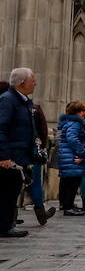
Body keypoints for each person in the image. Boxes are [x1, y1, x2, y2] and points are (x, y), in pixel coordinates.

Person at [0, 69, 38, 238]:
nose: (35, 83)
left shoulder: (23, 102)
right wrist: (4, 155)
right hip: (10, 156)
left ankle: (7, 224)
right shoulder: (8, 100)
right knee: (6, 192)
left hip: (20, 154)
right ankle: (4, 226)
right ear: (22, 82)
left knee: (12, 192)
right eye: (33, 80)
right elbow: (1, 128)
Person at [56, 100, 85, 216]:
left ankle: (66, 204)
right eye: (82, 111)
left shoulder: (68, 122)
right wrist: (82, 153)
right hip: (72, 156)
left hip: (66, 156)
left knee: (67, 182)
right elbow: (72, 138)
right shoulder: (75, 123)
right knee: (73, 182)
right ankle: (68, 207)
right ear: (77, 112)